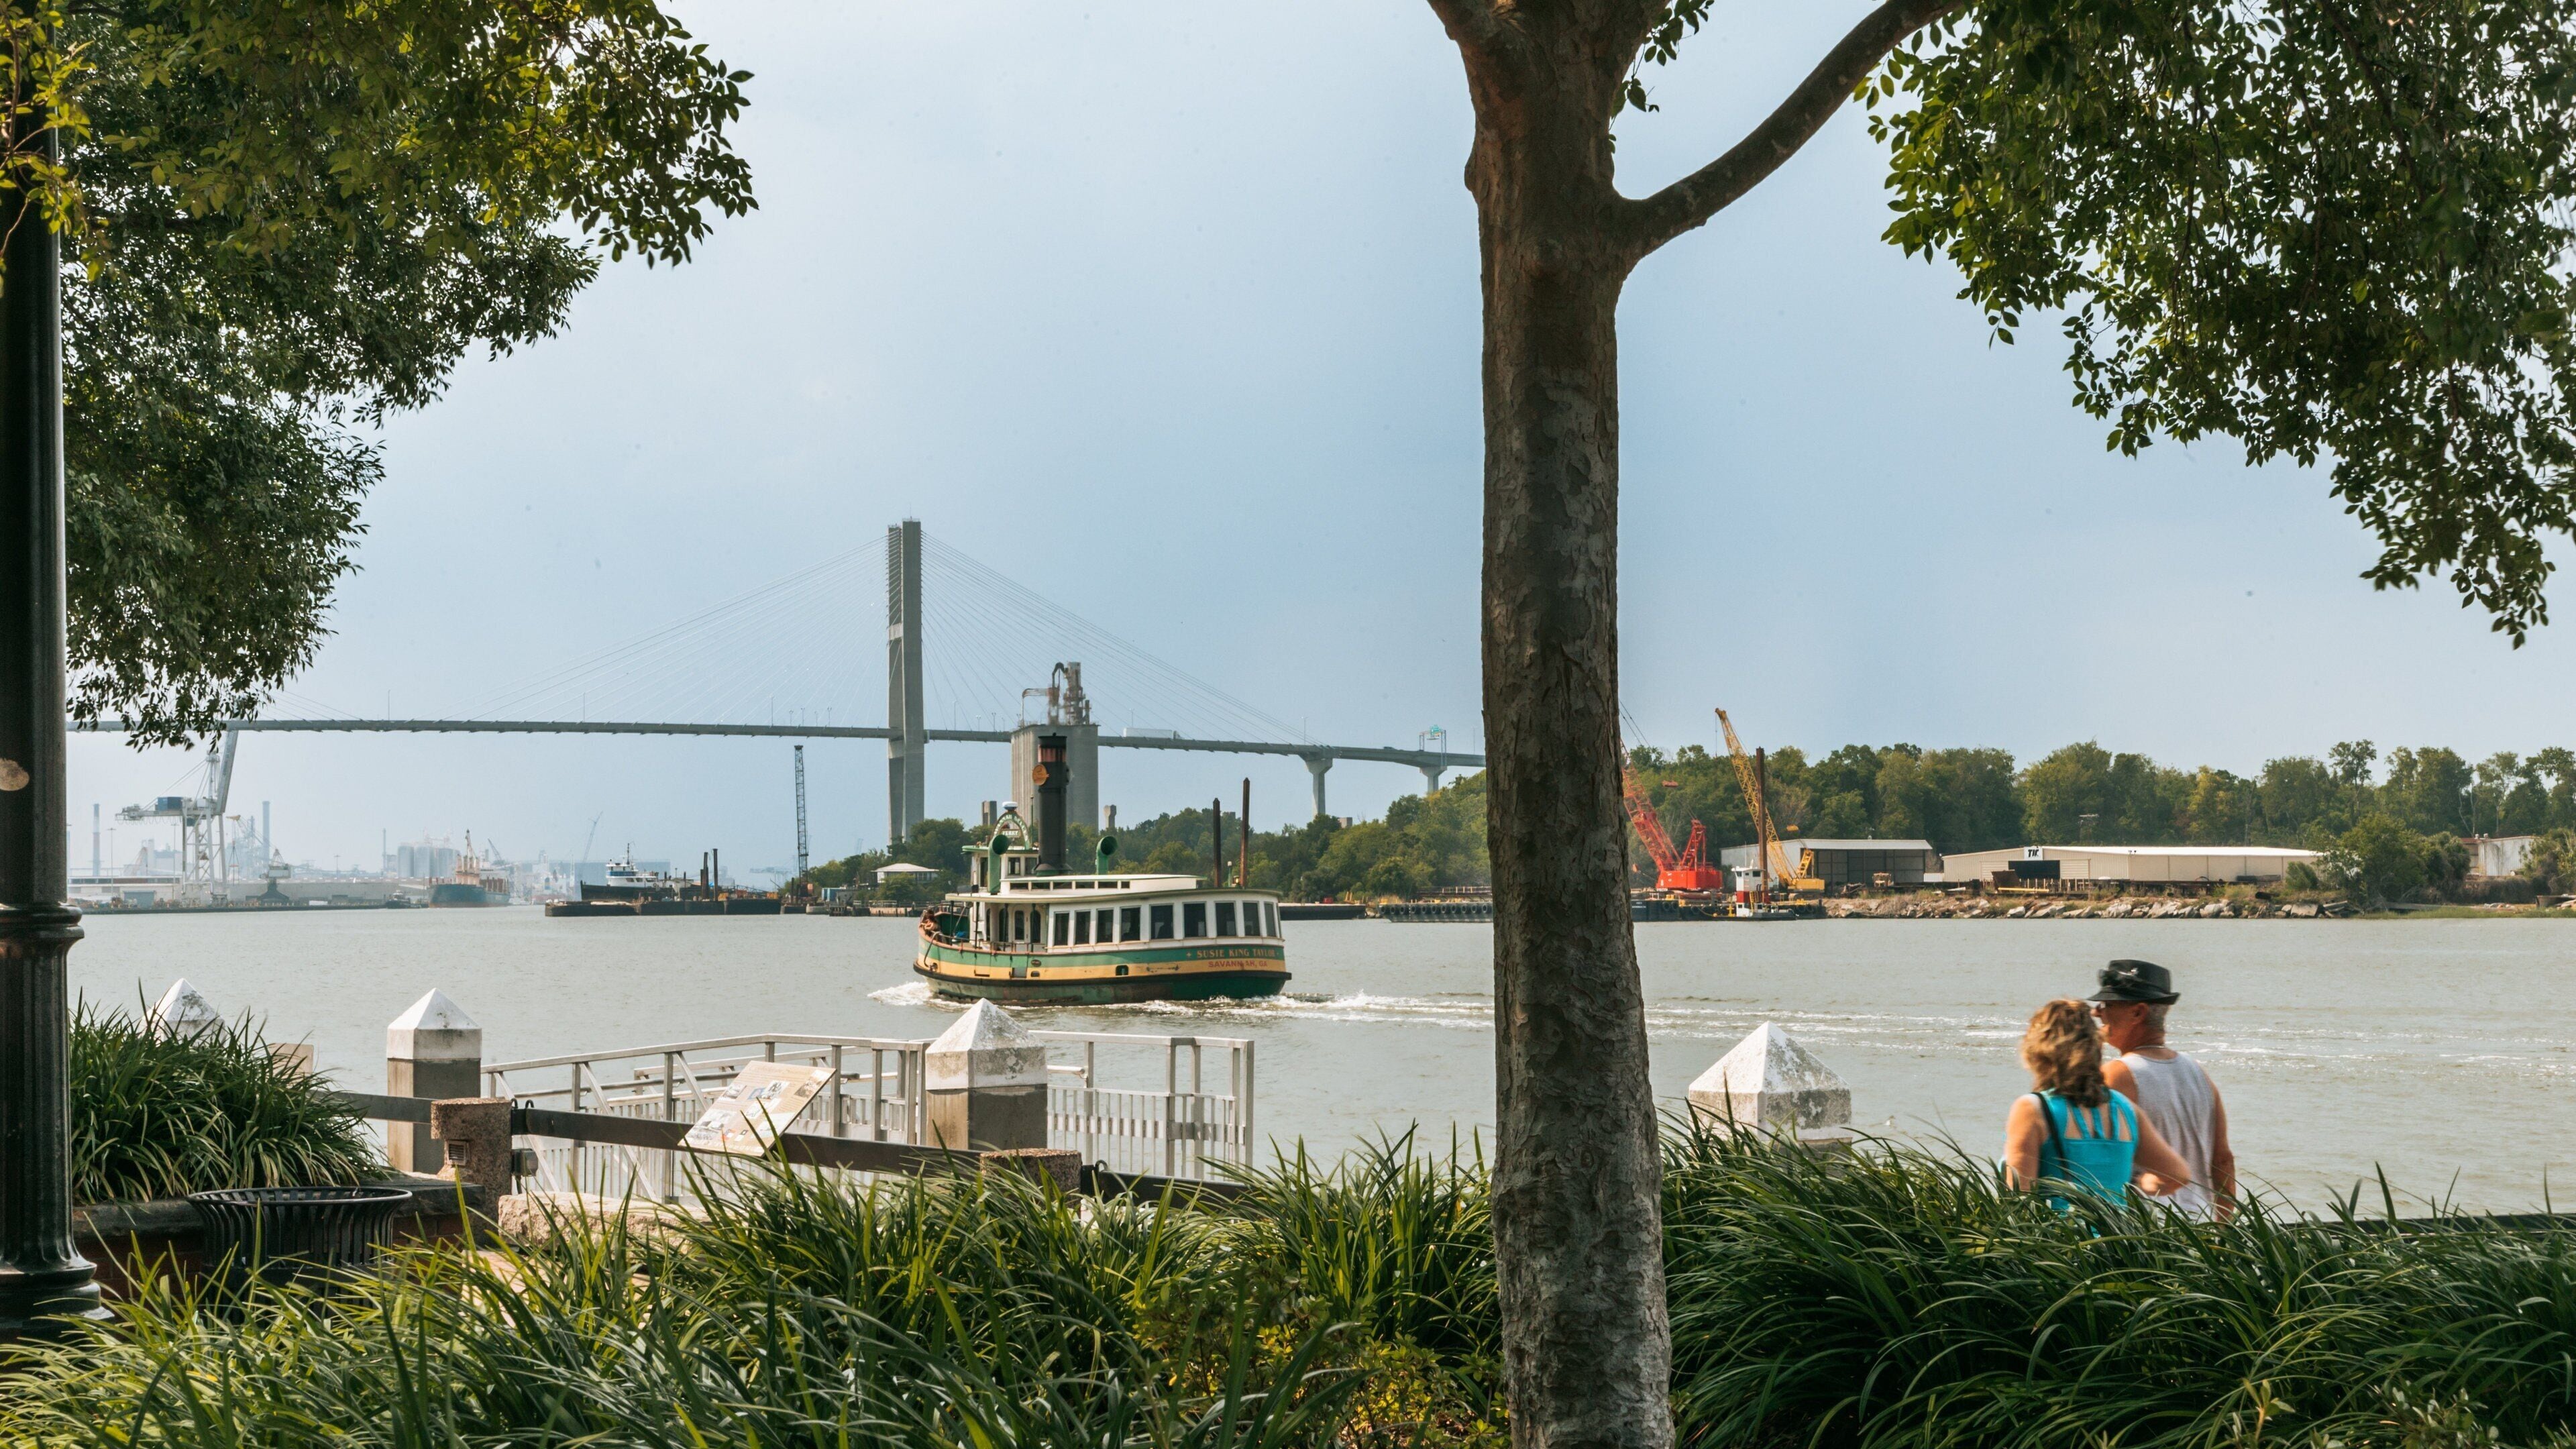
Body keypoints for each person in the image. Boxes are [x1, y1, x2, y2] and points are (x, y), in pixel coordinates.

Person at [2004, 998, 2196, 1208]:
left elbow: (2018, 1202)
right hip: (2117, 1239)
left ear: (2038, 1051)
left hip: (2063, 1238)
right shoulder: (2125, 1109)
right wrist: (2138, 1183)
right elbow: (2178, 1174)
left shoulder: (2033, 1109)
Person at [2092, 958, 2237, 1219]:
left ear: (2138, 1013)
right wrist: (2224, 1229)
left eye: (2108, 1005)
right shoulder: (2199, 1074)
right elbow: (2223, 1161)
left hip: (2149, 1234)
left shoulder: (2117, 1074)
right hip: (2199, 1229)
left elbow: (2097, 1161)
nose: (2097, 1012)